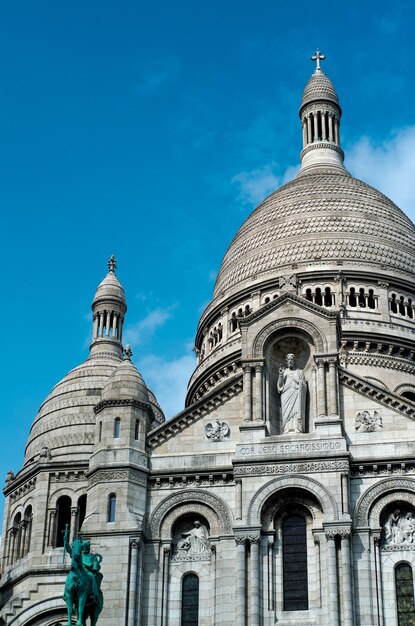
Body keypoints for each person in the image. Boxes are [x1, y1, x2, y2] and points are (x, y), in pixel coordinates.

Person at [277, 353, 307, 433]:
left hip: (297, 393)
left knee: (296, 410)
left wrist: (297, 381)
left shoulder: (300, 372)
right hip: (286, 394)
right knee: (287, 411)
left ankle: (297, 427)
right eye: (288, 360)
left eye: (291, 359)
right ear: (286, 362)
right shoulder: (284, 372)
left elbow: (304, 384)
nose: (290, 361)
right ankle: (286, 428)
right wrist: (280, 375)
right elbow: (280, 386)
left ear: (294, 361)